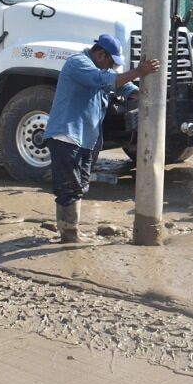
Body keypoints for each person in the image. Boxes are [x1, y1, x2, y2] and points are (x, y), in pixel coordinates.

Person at [44, 34, 159, 243]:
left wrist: (140, 92)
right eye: (111, 63)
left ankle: (70, 230)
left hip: (85, 138)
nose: (111, 68)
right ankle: (69, 234)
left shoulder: (100, 69)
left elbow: (120, 85)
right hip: (66, 135)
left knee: (79, 185)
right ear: (100, 54)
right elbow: (103, 80)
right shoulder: (78, 64)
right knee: (68, 186)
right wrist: (138, 71)